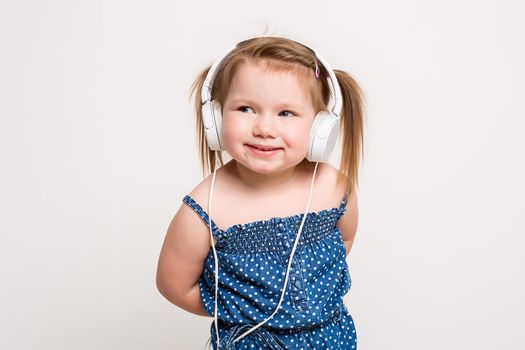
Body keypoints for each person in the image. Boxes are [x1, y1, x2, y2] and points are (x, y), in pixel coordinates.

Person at [156, 36, 365, 349]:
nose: (264, 128)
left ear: (321, 127)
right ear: (215, 116)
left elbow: (344, 241)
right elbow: (174, 285)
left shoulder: (332, 186)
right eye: (245, 109)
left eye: (286, 113)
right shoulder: (206, 208)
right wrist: (241, 310)